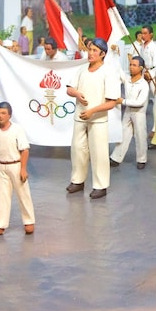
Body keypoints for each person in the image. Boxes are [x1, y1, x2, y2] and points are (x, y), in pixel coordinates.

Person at [65, 38, 120, 199]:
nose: (90, 53)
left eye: (95, 50)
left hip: (98, 120)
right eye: (90, 49)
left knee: (99, 152)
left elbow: (111, 103)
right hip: (80, 117)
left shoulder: (108, 73)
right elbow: (69, 88)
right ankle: (77, 180)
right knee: (77, 149)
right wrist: (76, 93)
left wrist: (93, 111)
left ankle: (100, 185)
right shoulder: (82, 70)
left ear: (103, 54)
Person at [0, 102, 36, 237]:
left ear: (9, 115)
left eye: (3, 113)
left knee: (23, 194)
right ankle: (0, 225)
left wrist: (23, 169)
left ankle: (29, 221)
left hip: (16, 165)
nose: (0, 116)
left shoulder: (17, 129)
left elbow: (24, 150)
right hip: (3, 166)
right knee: (3, 196)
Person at [111, 56, 150, 169]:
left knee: (140, 136)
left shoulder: (143, 84)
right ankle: (116, 157)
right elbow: (119, 70)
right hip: (128, 111)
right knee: (123, 134)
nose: (131, 67)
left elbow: (140, 102)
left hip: (139, 113)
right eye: (130, 64)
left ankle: (142, 159)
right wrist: (115, 54)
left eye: (134, 65)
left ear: (141, 68)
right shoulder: (127, 79)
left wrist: (123, 101)